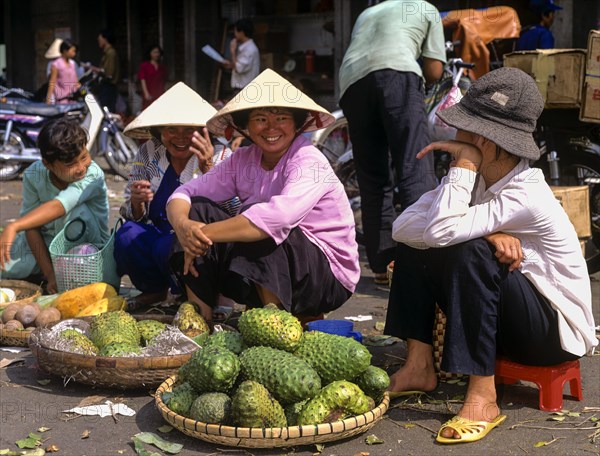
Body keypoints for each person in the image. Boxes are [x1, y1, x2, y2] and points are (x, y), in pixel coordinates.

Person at [384, 67, 597, 444]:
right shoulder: (476, 181)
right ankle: (418, 365)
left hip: (550, 335)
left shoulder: (524, 192)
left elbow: (440, 230)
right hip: (508, 323)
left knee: (468, 249)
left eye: (463, 132)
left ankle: (483, 397)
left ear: (485, 141)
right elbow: (403, 227)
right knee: (414, 250)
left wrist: (465, 170)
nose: (454, 139)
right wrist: (489, 229)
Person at [166, 69, 360, 324]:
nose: (271, 127)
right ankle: (199, 323)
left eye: (281, 118)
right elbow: (184, 193)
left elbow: (276, 218)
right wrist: (185, 227)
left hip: (326, 275)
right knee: (197, 210)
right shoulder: (243, 159)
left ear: (297, 123)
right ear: (246, 126)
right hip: (275, 263)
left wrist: (202, 234)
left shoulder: (308, 160)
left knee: (261, 225)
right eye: (260, 119)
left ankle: (275, 328)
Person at [338, 0, 446, 284]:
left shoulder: (366, 12)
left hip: (351, 83)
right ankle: (418, 264)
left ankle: (381, 266)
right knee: (415, 165)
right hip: (397, 73)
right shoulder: (426, 8)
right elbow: (434, 70)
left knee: (373, 179)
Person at [115, 82, 234, 308]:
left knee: (168, 245)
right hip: (159, 233)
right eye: (171, 130)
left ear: (203, 132)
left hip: (199, 240)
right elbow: (132, 213)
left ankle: (195, 293)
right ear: (160, 132)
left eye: (189, 130)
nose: (180, 137)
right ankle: (155, 291)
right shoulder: (149, 152)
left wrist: (208, 167)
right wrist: (137, 202)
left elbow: (233, 210)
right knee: (127, 235)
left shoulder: (221, 154)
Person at [0, 119, 110, 294]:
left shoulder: (93, 174)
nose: (81, 168)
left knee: (77, 211)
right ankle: (48, 272)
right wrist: (50, 274)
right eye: (71, 164)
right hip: (48, 245)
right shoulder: (33, 174)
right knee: (6, 263)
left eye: (84, 157)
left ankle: (62, 273)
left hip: (88, 248)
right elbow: (31, 226)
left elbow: (60, 206)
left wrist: (14, 225)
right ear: (48, 164)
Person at [221, 18, 260, 96]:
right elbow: (239, 65)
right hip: (243, 89)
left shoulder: (250, 49)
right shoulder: (246, 48)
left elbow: (239, 68)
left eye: (235, 31)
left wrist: (232, 51)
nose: (235, 34)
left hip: (244, 90)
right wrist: (230, 65)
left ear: (241, 32)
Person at [46, 39, 80, 104]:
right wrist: (49, 99)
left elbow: (76, 80)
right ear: (65, 51)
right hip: (62, 100)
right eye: (72, 51)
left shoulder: (72, 64)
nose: (74, 53)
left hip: (73, 98)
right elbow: (52, 82)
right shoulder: (56, 64)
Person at [137, 44, 167, 110]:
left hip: (159, 92)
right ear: (150, 53)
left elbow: (163, 81)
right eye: (154, 52)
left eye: (158, 52)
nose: (157, 54)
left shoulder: (162, 67)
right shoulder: (145, 66)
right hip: (149, 92)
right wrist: (146, 93)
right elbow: (142, 79)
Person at [97, 29, 120, 112]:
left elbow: (108, 73)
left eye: (100, 40)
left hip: (108, 86)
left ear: (105, 39)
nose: (99, 42)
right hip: (106, 86)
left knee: (107, 110)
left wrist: (94, 69)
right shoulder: (107, 52)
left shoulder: (110, 53)